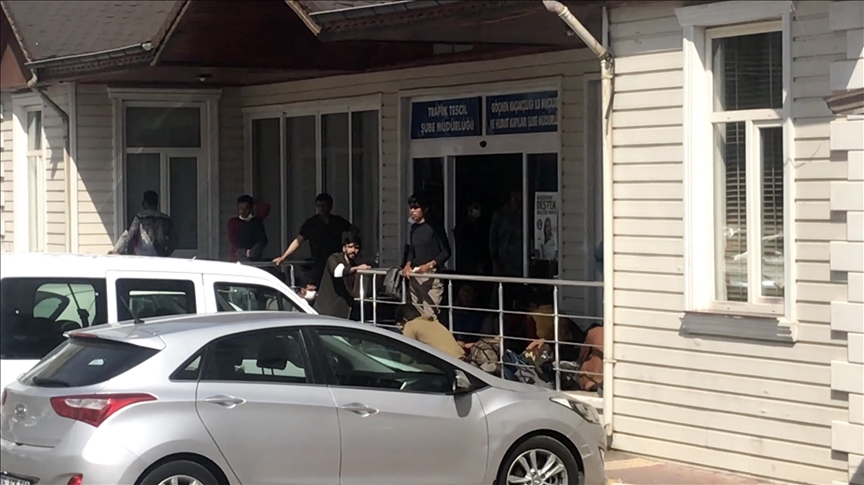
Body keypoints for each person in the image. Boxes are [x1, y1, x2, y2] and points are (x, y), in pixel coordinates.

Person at [273, 193, 354, 287]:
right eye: (319, 206)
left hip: (336, 261)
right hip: (319, 263)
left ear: (330, 206)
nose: (321, 209)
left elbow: (353, 230)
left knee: (339, 285)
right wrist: (283, 257)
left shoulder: (337, 221)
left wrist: (351, 246)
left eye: (324, 205)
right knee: (320, 286)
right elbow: (298, 241)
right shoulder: (311, 223)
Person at [403, 193, 451, 320]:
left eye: (416, 208)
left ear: (425, 209)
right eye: (411, 208)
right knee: (416, 317)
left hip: (431, 277)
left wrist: (429, 265)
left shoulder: (435, 227)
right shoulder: (413, 228)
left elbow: (446, 252)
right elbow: (412, 251)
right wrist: (407, 264)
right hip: (414, 275)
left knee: (430, 317)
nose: (412, 211)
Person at [314, 230, 371, 319]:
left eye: (356, 247)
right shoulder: (334, 258)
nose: (353, 250)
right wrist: (356, 268)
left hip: (343, 312)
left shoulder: (355, 263)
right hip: (326, 311)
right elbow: (337, 272)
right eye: (350, 247)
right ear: (344, 248)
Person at [110, 190, 176, 257]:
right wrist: (166, 253)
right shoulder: (166, 219)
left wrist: (117, 250)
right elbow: (174, 240)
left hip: (142, 256)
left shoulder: (139, 218)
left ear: (145, 203)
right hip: (160, 256)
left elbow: (128, 236)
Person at [396, 304, 465, 360]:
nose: (402, 330)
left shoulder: (410, 325)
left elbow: (406, 358)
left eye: (401, 327)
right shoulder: (433, 322)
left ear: (404, 320)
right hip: (461, 358)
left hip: (446, 362)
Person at [489, 189, 524, 277]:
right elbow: (493, 240)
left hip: (521, 267)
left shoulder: (524, 215)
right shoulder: (499, 215)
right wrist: (495, 263)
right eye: (520, 193)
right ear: (513, 194)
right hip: (504, 266)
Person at [454, 201, 491, 275]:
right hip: (467, 265)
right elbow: (463, 247)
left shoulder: (483, 225)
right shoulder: (462, 227)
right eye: (476, 207)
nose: (478, 210)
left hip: (481, 264)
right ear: (469, 209)